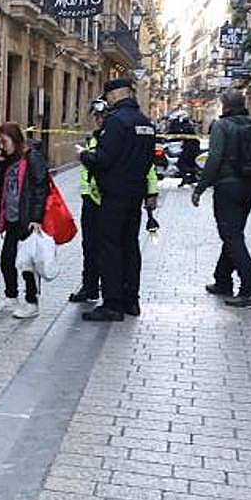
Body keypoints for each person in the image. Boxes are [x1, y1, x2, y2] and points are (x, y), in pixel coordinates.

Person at [77, 78, 156, 321]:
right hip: (134, 195)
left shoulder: (116, 122)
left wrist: (85, 156)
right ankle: (131, 300)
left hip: (112, 197)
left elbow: (104, 159)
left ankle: (112, 304)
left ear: (112, 96)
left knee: (109, 249)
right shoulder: (146, 123)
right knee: (130, 247)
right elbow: (148, 160)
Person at [191, 90, 251, 308]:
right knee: (234, 232)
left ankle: (249, 289)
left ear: (225, 106)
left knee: (231, 236)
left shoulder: (222, 126)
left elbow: (215, 158)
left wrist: (200, 188)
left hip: (228, 186)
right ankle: (222, 280)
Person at [0, 122, 48, 319]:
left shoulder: (32, 157)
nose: (2, 146)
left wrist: (37, 218)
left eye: (4, 142)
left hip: (27, 218)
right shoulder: (8, 159)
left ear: (14, 139)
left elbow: (41, 188)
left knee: (27, 263)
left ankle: (32, 302)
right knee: (7, 259)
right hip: (12, 217)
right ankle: (11, 296)